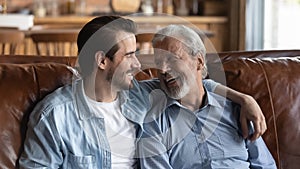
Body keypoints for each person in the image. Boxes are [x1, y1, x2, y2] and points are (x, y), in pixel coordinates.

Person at [19, 16, 267, 168]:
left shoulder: (138, 95)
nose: (140, 66)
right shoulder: (53, 117)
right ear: (102, 61)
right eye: (130, 55)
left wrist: (244, 98)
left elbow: (194, 85)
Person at [138, 25, 277, 168]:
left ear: (199, 61)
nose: (163, 70)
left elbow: (265, 165)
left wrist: (245, 99)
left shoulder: (236, 111)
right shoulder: (154, 122)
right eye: (158, 63)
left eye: (173, 59)